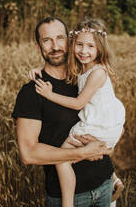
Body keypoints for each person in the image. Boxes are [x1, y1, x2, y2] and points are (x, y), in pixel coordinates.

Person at [12, 17, 116, 207]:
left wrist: (112, 170)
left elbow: (109, 116)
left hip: (105, 183)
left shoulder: (84, 77)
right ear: (38, 46)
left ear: (70, 41)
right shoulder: (32, 93)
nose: (55, 46)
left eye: (60, 38)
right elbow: (28, 153)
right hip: (70, 198)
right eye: (47, 40)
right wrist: (83, 152)